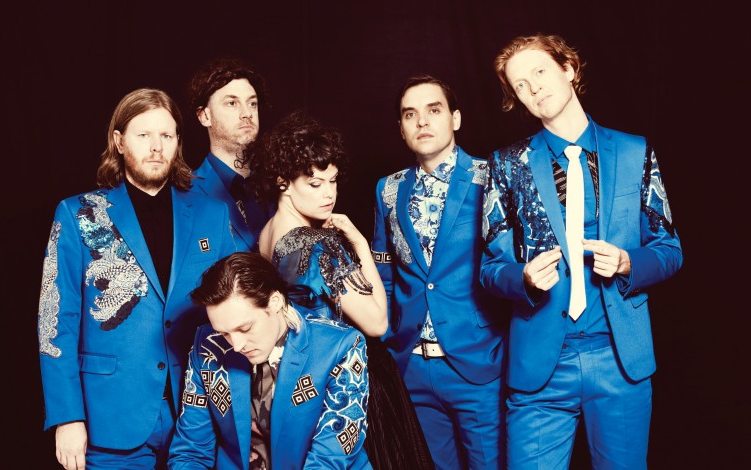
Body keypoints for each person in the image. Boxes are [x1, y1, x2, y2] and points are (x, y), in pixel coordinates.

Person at [481, 33, 683, 468]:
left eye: (540, 72)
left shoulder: (634, 151)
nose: (534, 87)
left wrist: (629, 262)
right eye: (520, 84)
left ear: (568, 69)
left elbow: (669, 248)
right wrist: (523, 278)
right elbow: (491, 268)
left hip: (620, 361)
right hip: (541, 367)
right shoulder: (506, 164)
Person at [37, 88, 238, 469]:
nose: (156, 147)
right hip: (110, 416)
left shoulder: (212, 214)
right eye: (143, 135)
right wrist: (67, 417)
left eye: (166, 135)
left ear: (178, 142)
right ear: (119, 141)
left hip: (198, 417)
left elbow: (237, 306)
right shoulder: (78, 214)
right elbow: (55, 321)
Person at [252, 111, 434, 469]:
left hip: (304, 379)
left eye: (333, 181)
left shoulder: (268, 232)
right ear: (283, 182)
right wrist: (361, 245)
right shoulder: (317, 245)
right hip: (349, 377)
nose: (329, 194)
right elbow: (377, 324)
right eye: (314, 184)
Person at [371, 74, 507, 469]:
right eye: (409, 114)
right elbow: (384, 271)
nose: (422, 122)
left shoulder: (491, 176)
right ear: (401, 128)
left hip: (476, 363)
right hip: (412, 365)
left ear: (455, 118)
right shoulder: (387, 189)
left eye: (433, 110)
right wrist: (391, 337)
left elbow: (504, 267)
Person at [168, 252, 371, 469]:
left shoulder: (341, 346)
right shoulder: (208, 345)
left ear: (275, 302)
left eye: (245, 328)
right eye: (224, 333)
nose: (236, 345)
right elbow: (190, 452)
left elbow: (329, 461)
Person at [188, 57, 273, 251]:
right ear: (205, 116)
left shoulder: (281, 183)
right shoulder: (185, 195)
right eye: (232, 103)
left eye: (252, 103)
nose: (247, 113)